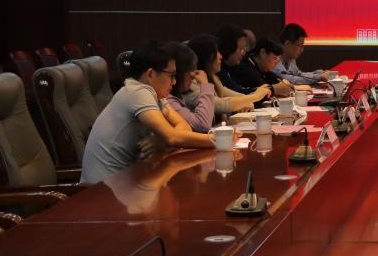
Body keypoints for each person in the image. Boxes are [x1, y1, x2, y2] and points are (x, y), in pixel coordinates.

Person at [80, 40, 214, 183]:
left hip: (126, 182)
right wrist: (219, 141)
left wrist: (161, 140)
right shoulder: (137, 92)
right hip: (102, 189)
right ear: (150, 74)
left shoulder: (155, 95)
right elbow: (172, 137)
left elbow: (184, 128)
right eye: (171, 75)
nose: (174, 82)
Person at [187, 33, 279, 110]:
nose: (221, 56)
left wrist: (248, 100)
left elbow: (229, 94)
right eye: (217, 52)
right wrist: (254, 97)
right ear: (206, 57)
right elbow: (220, 104)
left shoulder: (213, 77)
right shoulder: (192, 84)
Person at [164, 42, 217, 132]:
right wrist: (205, 84)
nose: (193, 76)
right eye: (190, 70)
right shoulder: (167, 100)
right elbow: (202, 124)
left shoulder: (175, 96)